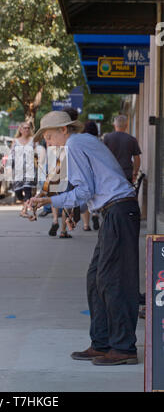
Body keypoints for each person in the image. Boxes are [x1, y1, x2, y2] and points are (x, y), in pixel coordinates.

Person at [29, 110, 140, 366]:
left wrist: (49, 200)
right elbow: (88, 186)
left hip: (119, 210)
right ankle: (102, 343)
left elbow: (85, 190)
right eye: (44, 136)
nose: (47, 140)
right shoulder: (81, 142)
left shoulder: (75, 144)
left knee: (113, 280)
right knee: (96, 278)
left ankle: (123, 348)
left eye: (49, 134)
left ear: (64, 130)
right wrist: (69, 211)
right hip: (115, 209)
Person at [11, 122, 42, 217]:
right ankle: (27, 204)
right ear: (20, 130)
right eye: (24, 128)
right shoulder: (15, 141)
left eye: (28, 128)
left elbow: (38, 153)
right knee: (18, 192)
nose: (27, 130)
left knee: (27, 190)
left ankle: (24, 210)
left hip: (30, 169)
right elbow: (11, 154)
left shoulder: (33, 140)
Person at [103, 115, 141, 184]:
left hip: (111, 174)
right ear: (126, 125)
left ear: (114, 125)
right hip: (126, 174)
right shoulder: (132, 139)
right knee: (126, 194)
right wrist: (135, 173)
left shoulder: (107, 138)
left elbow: (102, 156)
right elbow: (137, 158)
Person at [80, 121, 100, 231]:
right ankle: (95, 214)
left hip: (84, 173)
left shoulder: (81, 142)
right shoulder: (98, 142)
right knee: (95, 196)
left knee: (85, 198)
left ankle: (86, 225)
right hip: (96, 173)